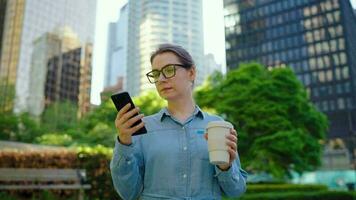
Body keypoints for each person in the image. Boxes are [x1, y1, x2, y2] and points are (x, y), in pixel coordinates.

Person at [110, 43, 247, 200]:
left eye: (169, 70)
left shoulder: (218, 126)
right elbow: (127, 193)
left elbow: (236, 191)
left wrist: (226, 167)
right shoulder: (141, 128)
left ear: (192, 73)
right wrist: (124, 143)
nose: (160, 79)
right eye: (155, 74)